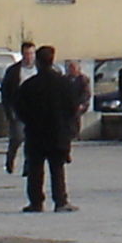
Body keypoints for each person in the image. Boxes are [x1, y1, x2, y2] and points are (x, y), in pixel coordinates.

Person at [15, 46, 78, 213]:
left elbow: (20, 110)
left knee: (35, 169)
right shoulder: (64, 84)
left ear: (37, 62)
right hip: (58, 132)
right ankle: (61, 201)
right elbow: (73, 108)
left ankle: (36, 202)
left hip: (36, 133)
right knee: (57, 169)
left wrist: (30, 121)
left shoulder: (29, 86)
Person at [0, 41, 35, 175]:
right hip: (18, 109)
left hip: (35, 110)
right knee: (17, 138)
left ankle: (28, 167)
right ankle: (10, 159)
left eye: (31, 53)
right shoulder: (14, 71)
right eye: (26, 54)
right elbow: (5, 91)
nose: (29, 57)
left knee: (31, 141)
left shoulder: (39, 70)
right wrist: (9, 110)